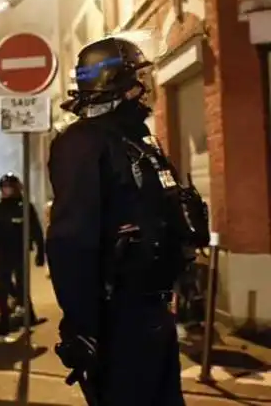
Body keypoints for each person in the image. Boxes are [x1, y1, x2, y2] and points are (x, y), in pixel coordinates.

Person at [48, 36, 209, 405]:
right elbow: (71, 240)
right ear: (116, 81)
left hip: (153, 312)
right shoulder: (82, 143)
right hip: (118, 318)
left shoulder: (136, 140)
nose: (147, 88)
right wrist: (82, 326)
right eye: (139, 78)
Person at [0, 173, 45, 336]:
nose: (7, 190)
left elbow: (36, 230)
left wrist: (40, 251)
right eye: (4, 187)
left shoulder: (25, 207)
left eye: (10, 187)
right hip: (3, 252)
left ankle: (30, 315)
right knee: (3, 288)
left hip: (20, 251)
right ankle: (4, 320)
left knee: (22, 286)